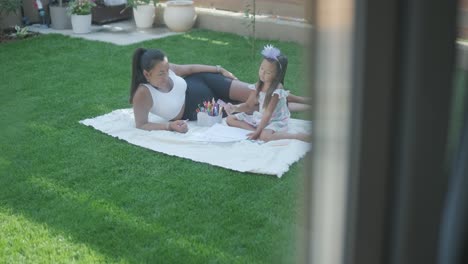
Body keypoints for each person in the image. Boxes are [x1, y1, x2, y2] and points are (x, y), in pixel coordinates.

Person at [129, 47, 311, 133]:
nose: (167, 74)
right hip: (205, 109)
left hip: (209, 82)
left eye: (167, 70)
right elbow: (141, 124)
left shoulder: (165, 67)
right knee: (258, 108)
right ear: (146, 74)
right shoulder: (143, 94)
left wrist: (219, 69)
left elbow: (190, 69)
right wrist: (169, 126)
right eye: (161, 73)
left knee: (261, 93)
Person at [224, 45, 310, 142]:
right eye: (261, 69)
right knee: (230, 119)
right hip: (262, 117)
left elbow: (268, 113)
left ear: (277, 75)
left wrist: (258, 132)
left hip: (275, 120)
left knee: (265, 137)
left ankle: (296, 136)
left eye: (268, 73)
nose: (262, 74)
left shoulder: (277, 89)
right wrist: (235, 108)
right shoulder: (258, 86)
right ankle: (258, 131)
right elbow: (248, 105)